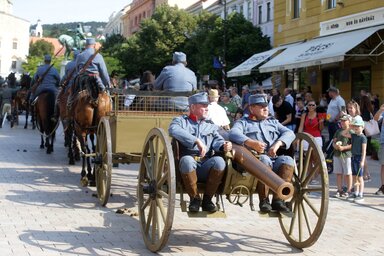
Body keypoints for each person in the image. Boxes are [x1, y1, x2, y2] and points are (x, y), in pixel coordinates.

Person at [229, 94, 295, 213]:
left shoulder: (273, 122)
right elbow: (233, 133)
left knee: (288, 161)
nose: (266, 109)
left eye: (266, 106)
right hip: (254, 163)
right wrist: (251, 143)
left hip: (273, 158)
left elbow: (290, 133)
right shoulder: (243, 122)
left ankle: (278, 200)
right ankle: (264, 200)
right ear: (251, 108)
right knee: (264, 160)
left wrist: (278, 144)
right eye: (261, 106)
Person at [168, 92, 232, 213]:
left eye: (207, 105)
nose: (207, 108)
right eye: (203, 105)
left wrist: (224, 146)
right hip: (186, 165)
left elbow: (217, 141)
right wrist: (196, 140)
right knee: (187, 160)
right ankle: (195, 199)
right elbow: (173, 130)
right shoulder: (181, 121)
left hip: (205, 165)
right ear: (193, 107)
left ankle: (207, 200)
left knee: (219, 161)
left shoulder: (211, 125)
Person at [346, 115, 367, 202]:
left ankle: (361, 194)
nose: (356, 128)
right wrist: (350, 126)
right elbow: (344, 133)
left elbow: (364, 151)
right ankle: (356, 192)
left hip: (359, 158)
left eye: (358, 126)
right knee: (354, 176)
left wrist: (362, 161)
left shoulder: (363, 137)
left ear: (362, 127)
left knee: (360, 177)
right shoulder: (354, 135)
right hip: (353, 157)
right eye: (355, 126)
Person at [332, 114, 353, 198]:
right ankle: (339, 189)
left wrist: (344, 147)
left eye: (344, 120)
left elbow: (353, 144)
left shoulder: (351, 132)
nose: (342, 122)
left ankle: (349, 190)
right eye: (341, 121)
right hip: (337, 154)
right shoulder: (338, 131)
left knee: (348, 173)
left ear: (349, 121)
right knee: (338, 173)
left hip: (347, 155)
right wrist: (335, 146)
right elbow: (334, 141)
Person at [360, 95, 374, 180]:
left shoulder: (362, 111)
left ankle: (366, 172)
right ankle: (366, 172)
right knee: (363, 153)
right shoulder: (370, 110)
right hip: (368, 134)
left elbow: (363, 122)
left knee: (362, 154)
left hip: (362, 134)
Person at [374, 104, 384, 195]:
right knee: (383, 165)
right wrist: (380, 110)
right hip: (383, 141)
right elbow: (375, 119)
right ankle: (383, 186)